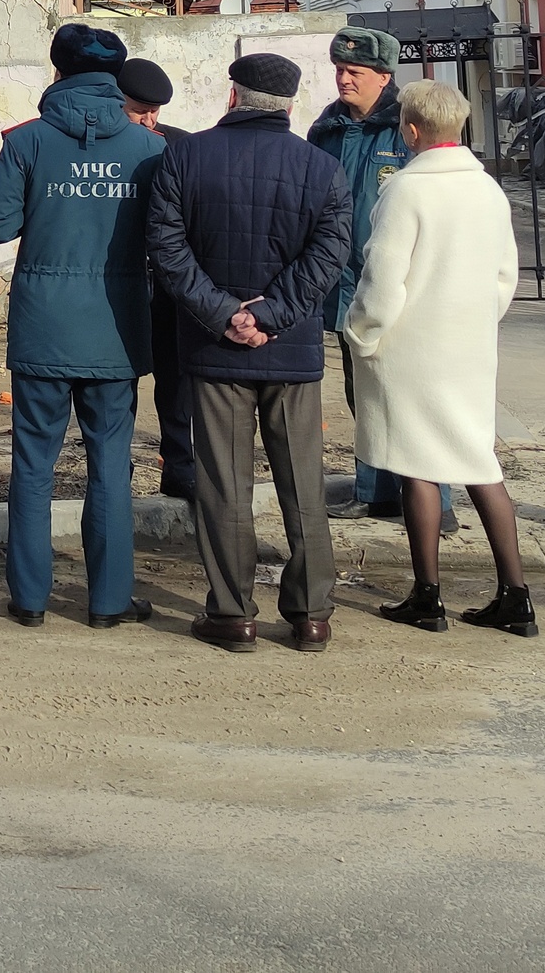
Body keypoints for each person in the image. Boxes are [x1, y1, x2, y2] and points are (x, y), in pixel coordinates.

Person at [146, 52, 352, 652]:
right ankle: (312, 613)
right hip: (290, 354)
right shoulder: (321, 169)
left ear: (232, 96)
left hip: (215, 352)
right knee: (302, 485)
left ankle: (233, 614)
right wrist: (268, 315)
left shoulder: (184, 157)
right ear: (289, 106)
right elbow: (328, 258)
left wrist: (225, 314)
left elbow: (166, 246)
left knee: (224, 486)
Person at [0, 22, 167, 627]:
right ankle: (108, 602)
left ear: (56, 73)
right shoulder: (150, 150)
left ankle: (29, 600)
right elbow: (170, 239)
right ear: (115, 79)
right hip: (117, 331)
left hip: (43, 330)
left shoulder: (27, 142)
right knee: (111, 464)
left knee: (33, 463)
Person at [344, 79, 537, 636]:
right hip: (468, 344)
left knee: (417, 465)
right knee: (478, 461)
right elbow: (506, 276)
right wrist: (474, 319)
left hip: (410, 346)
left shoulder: (405, 190)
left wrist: (363, 334)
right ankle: (515, 596)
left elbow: (382, 279)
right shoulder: (488, 190)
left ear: (410, 130)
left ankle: (427, 597)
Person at [308, 26, 455, 532]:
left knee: (414, 393)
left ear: (384, 77)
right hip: (346, 280)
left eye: (355, 72)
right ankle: (376, 490)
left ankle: (440, 502)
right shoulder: (327, 128)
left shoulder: (406, 127)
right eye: (340, 70)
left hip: (402, 280)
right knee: (363, 391)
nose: (344, 79)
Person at [118, 55, 195, 502]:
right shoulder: (104, 147)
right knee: (118, 381)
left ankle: (180, 466)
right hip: (121, 280)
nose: (149, 120)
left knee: (176, 379)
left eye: (155, 112)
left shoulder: (178, 145)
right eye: (138, 110)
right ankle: (115, 466)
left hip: (169, 283)